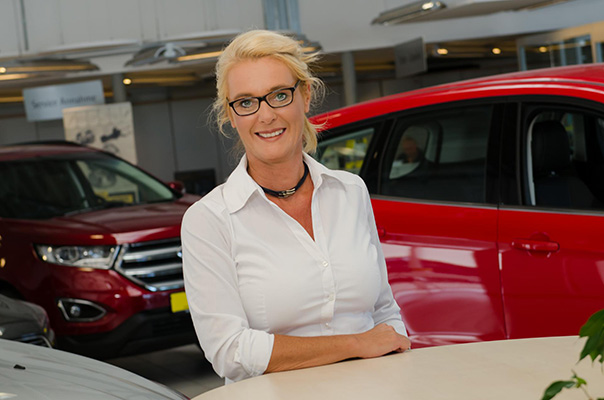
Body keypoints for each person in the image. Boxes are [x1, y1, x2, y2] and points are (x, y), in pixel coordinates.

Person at [181, 29, 410, 384]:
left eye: (279, 95)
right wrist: (355, 344)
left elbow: (383, 309)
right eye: (246, 102)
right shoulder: (209, 220)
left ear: (305, 95)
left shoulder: (350, 192)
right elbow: (230, 351)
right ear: (231, 115)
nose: (266, 115)